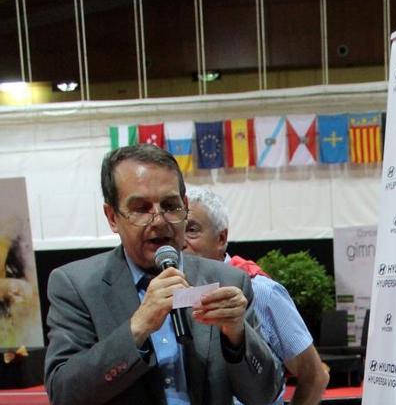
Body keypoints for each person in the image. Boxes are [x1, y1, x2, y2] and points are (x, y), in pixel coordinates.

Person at [44, 144, 282, 405]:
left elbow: (266, 393)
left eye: (170, 205)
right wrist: (138, 327)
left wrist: (238, 337)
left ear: (186, 206)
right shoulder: (76, 286)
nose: (159, 220)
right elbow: (64, 393)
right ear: (112, 217)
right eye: (141, 208)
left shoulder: (228, 281)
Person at [183, 186, 329, 405]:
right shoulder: (172, 294)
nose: (181, 241)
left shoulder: (261, 291)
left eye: (192, 229)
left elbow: (316, 376)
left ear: (221, 238)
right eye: (176, 232)